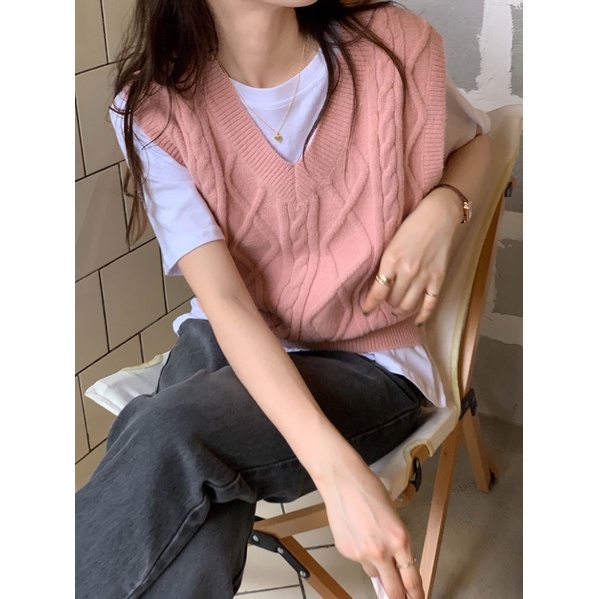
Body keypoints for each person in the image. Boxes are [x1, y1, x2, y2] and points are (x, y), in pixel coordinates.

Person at [75, 0, 492, 597]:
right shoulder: (155, 109)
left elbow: (478, 140)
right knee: (178, 454)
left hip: (366, 360)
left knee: (166, 432)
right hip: (230, 335)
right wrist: (339, 473)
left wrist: (445, 206)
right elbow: (227, 302)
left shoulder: (393, 48)